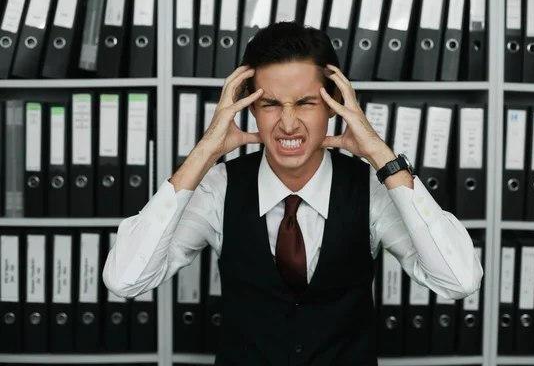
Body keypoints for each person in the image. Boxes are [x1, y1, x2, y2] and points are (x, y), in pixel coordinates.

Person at [103, 21, 483, 365]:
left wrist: (379, 154)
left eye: (305, 102)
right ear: (249, 107)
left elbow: (458, 280)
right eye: (269, 104)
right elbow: (126, 279)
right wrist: (204, 152)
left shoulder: (371, 189)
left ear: (334, 105)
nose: (287, 123)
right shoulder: (219, 187)